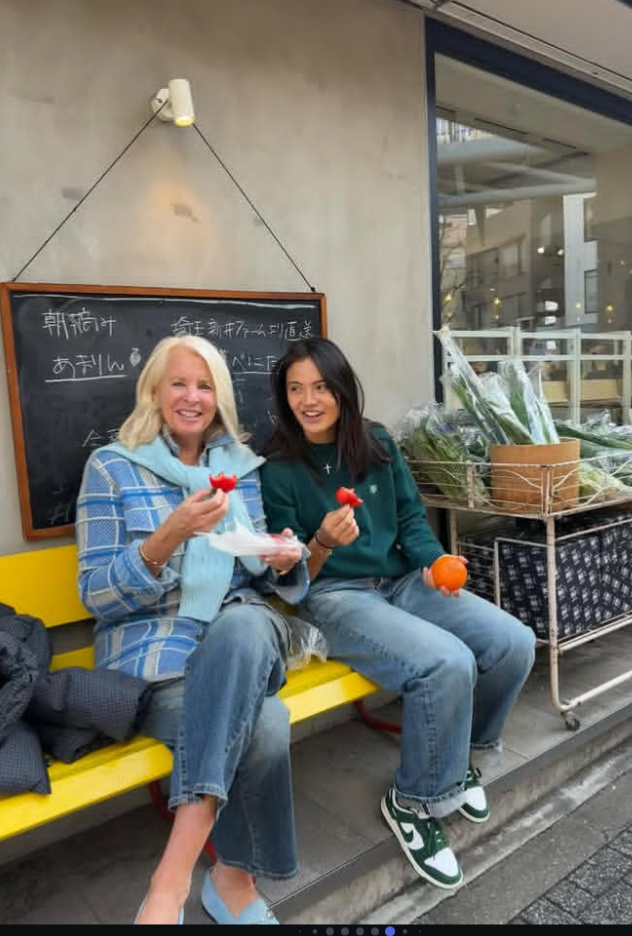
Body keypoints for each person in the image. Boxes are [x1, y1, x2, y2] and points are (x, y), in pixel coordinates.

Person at [260, 337, 536, 890]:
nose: (308, 400)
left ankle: (458, 760)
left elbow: (410, 518)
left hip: (405, 581)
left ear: (343, 389)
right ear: (283, 396)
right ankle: (413, 801)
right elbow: (290, 576)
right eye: (295, 389)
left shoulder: (377, 443)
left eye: (320, 387)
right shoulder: (278, 470)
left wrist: (433, 562)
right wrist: (322, 541)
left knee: (513, 643)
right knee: (446, 663)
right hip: (334, 597)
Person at [75, 335, 309, 925]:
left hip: (239, 636)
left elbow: (254, 571)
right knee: (266, 725)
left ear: (219, 398)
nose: (192, 397)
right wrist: (168, 537)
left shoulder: (239, 470)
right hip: (155, 659)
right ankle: (231, 881)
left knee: (244, 624)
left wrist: (279, 557)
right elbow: (97, 594)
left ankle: (169, 883)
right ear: (154, 391)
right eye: (179, 383)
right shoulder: (111, 468)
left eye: (205, 386)